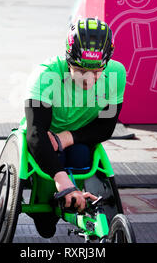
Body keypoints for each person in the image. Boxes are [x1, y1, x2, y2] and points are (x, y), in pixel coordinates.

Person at [20, 18, 126, 238]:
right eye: (79, 71)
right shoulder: (46, 75)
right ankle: (46, 202)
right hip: (43, 139)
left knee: (80, 154)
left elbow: (105, 127)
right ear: (68, 59)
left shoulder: (115, 74)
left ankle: (75, 201)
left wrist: (66, 138)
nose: (88, 79)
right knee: (46, 226)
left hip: (78, 139)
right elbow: (35, 133)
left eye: (97, 71)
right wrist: (62, 180)